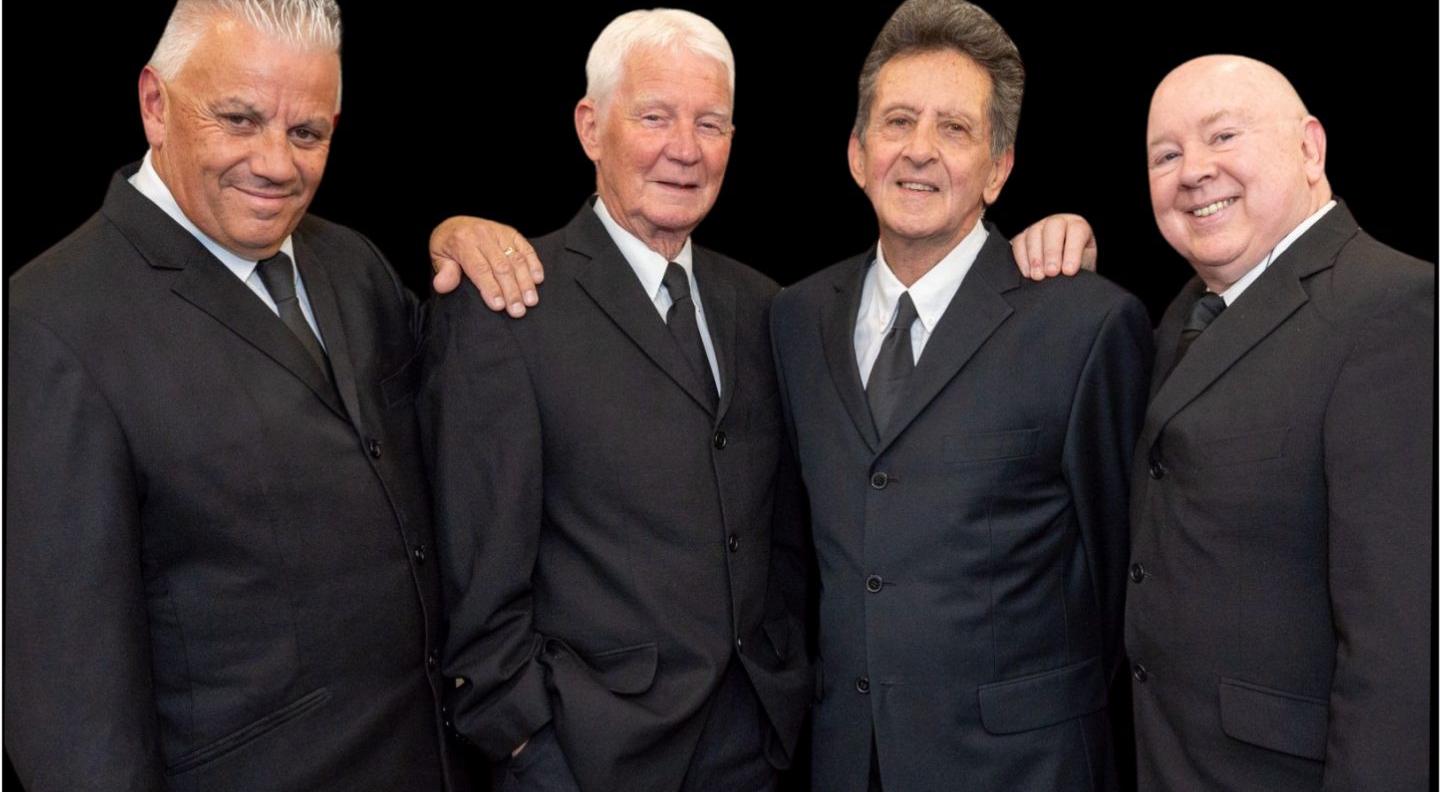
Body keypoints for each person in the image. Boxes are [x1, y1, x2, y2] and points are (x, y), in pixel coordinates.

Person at [5, 2, 472, 789]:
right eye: (239, 120)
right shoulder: (48, 325)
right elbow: (69, 703)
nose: (277, 165)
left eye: (307, 134)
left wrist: (464, 240)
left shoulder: (349, 262)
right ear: (155, 104)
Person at [416, 10, 812, 792]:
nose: (686, 148)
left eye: (712, 122)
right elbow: (476, 575)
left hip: (756, 747)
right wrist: (529, 750)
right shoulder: (508, 304)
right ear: (591, 128)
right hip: (588, 758)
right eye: (656, 116)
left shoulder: (769, 307)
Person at [766, 2, 1152, 790]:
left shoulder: (1086, 321)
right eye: (898, 121)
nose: (918, 151)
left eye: (954, 129)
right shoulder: (794, 318)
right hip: (846, 759)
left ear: (1000, 167)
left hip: (1026, 766)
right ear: (855, 150)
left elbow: (1128, 571)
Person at [1121, 55, 1433, 790]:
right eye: (1166, 155)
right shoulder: (1184, 315)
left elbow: (1402, 643)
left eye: (1223, 136)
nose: (1193, 170)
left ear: (1309, 147)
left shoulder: (1395, 308)